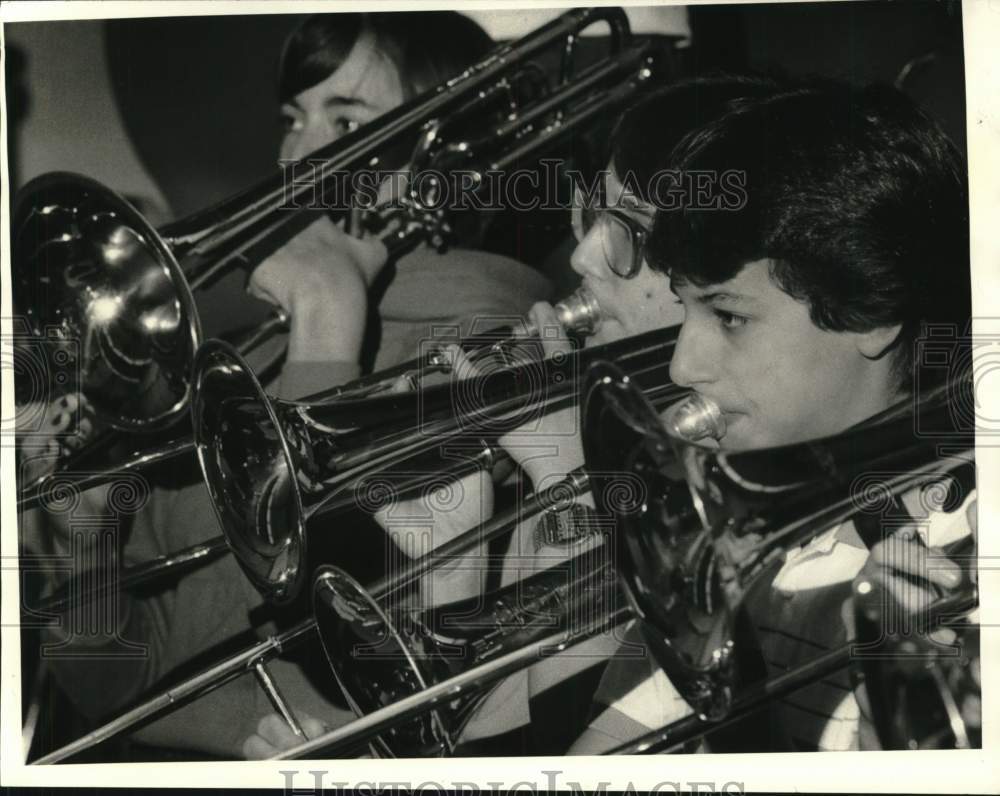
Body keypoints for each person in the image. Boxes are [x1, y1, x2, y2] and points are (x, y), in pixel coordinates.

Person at [33, 10, 553, 760]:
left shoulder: (489, 350)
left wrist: (325, 319)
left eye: (349, 120)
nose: (300, 155)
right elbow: (111, 684)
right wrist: (85, 527)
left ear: (451, 161)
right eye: (294, 117)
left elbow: (352, 654)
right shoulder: (252, 348)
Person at [239, 74, 784, 758]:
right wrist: (454, 576)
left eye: (632, 234)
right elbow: (502, 746)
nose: (584, 253)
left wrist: (563, 491)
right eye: (592, 215)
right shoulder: (577, 431)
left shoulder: (720, 516)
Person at [571, 79, 974, 752]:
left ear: (869, 317)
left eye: (728, 316)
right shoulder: (734, 539)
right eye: (687, 307)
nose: (678, 367)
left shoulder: (966, 539)